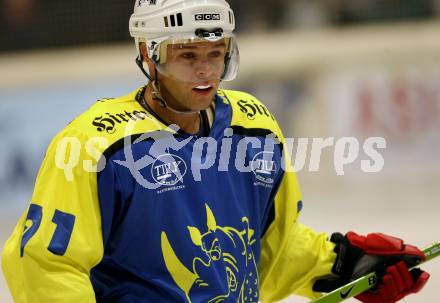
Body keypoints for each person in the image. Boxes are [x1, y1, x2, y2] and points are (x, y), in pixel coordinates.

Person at [1, 0, 430, 302]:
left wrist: (347, 265)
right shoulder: (96, 145)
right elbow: (44, 266)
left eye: (216, 53)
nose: (206, 71)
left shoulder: (254, 128)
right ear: (149, 56)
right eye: (187, 55)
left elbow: (268, 250)